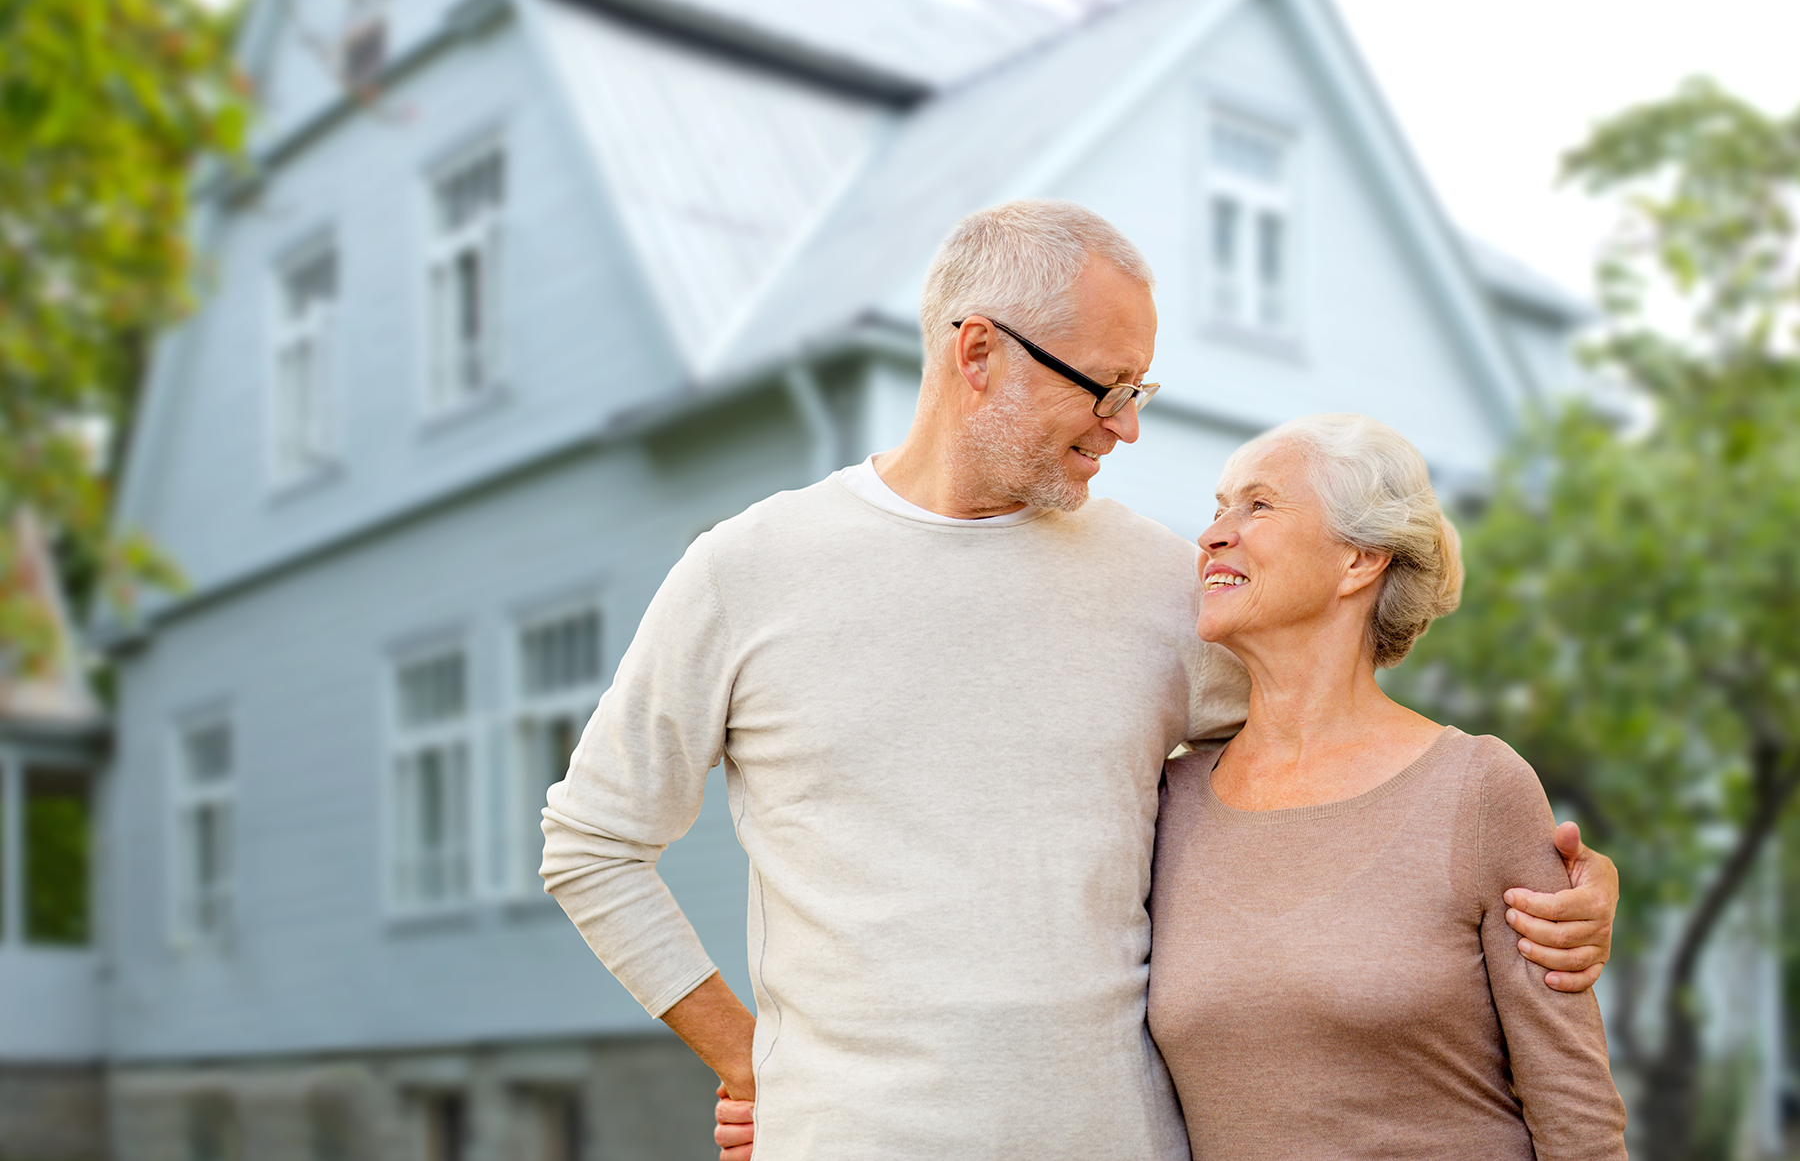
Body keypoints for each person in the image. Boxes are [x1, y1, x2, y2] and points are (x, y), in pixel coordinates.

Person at [539, 201, 1619, 1161]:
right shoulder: (748, 569)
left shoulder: (1161, 583)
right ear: (977, 356)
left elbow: (1346, 762)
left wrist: (1553, 887)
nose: (1128, 424)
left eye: (1140, 389)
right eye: (1106, 386)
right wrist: (748, 1057)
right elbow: (592, 844)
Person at [1149, 413, 1628, 1159]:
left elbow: (1577, 1112)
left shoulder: (1477, 787)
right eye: (1217, 508)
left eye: (1258, 504)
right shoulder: (1168, 800)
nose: (1213, 533)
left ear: (1360, 560)